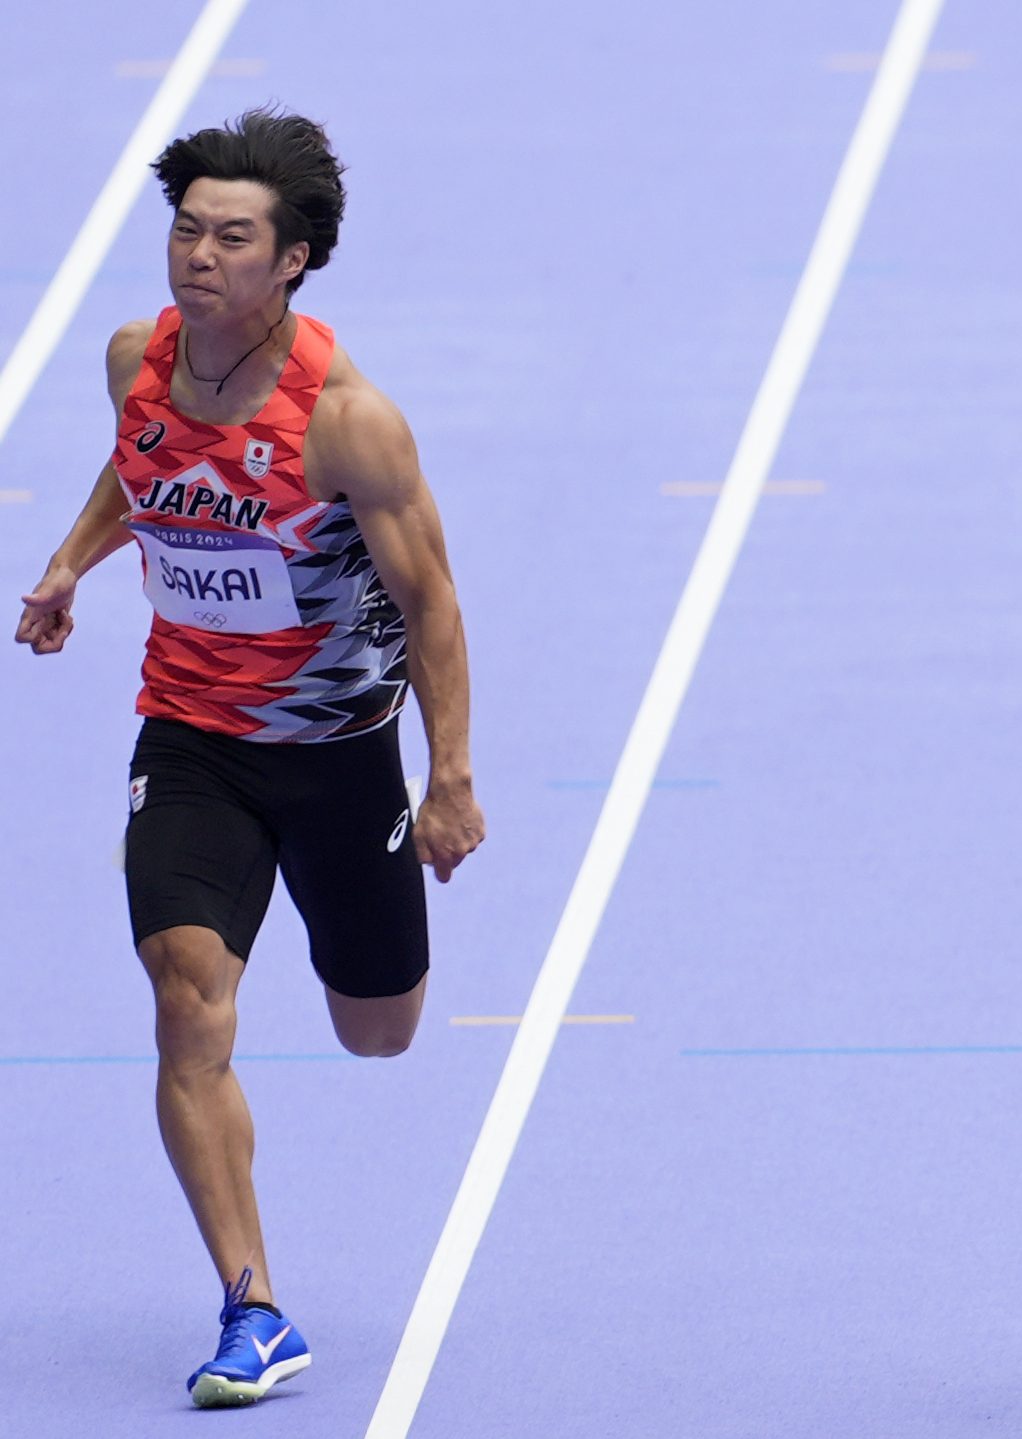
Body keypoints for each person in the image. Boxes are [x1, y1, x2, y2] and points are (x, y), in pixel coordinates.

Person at [14, 109, 483, 1407]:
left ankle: (349, 940)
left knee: (376, 1031)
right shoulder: (136, 362)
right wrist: (71, 562)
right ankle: (253, 1303)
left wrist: (446, 774)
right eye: (186, 229)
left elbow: (433, 600)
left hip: (334, 752)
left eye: (232, 237)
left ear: (295, 262)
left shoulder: (348, 423)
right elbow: (142, 470)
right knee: (183, 997)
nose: (199, 256)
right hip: (192, 733)